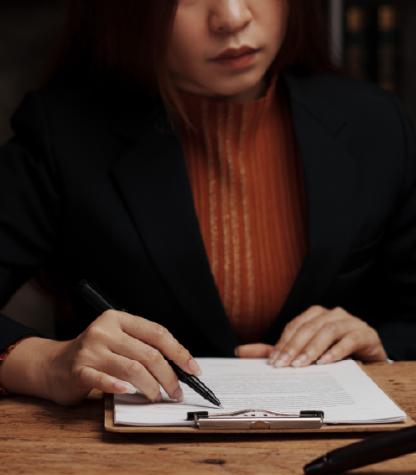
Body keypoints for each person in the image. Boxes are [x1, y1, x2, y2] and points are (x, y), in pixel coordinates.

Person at [0, 0, 415, 407]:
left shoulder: (375, 124)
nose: (233, 17)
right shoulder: (62, 133)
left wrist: (381, 341)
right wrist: (48, 364)